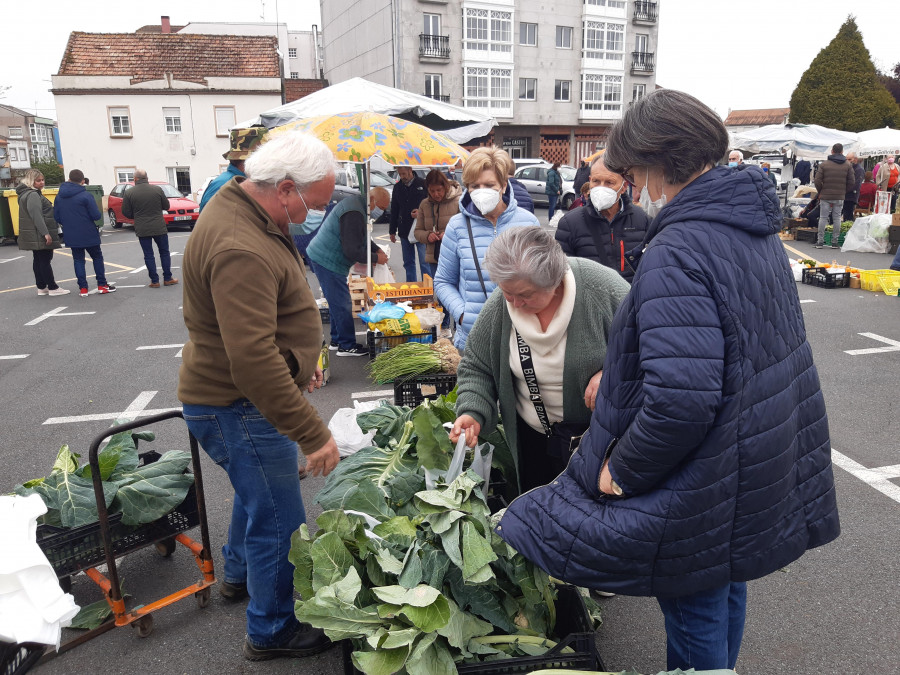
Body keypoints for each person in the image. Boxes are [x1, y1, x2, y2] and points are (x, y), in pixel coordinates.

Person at [495, 89, 840, 673]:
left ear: (660, 162)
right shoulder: (751, 230)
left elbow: (681, 402)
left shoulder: (679, 248)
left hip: (705, 468)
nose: (633, 185)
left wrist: (623, 470)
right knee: (724, 579)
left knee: (694, 597)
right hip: (751, 449)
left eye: (634, 172)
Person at [178, 130, 339, 661]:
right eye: (313, 204)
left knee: (258, 497)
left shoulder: (248, 211)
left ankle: (239, 577)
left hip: (237, 399)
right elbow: (250, 359)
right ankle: (272, 630)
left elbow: (265, 326)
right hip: (237, 404)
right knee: (278, 516)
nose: (314, 214)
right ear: (286, 189)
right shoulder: (238, 244)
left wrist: (300, 360)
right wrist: (313, 434)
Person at [450, 227, 629, 493]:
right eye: (506, 292)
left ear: (555, 281)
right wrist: (471, 411)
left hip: (602, 447)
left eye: (524, 295)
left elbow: (654, 355)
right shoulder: (504, 302)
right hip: (532, 441)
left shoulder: (605, 291)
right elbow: (477, 366)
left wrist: (613, 374)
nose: (513, 302)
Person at [433, 146, 538, 350]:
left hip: (521, 338)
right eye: (474, 186)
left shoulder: (529, 224)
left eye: (489, 185)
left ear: (504, 185)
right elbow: (443, 281)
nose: (482, 191)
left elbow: (541, 280)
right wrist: (463, 315)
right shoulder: (456, 227)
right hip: (473, 339)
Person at [307, 187, 389, 356]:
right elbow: (352, 250)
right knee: (342, 302)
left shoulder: (359, 207)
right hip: (326, 259)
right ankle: (346, 345)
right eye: (381, 207)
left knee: (336, 301)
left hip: (324, 257)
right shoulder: (354, 212)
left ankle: (337, 340)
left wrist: (376, 249)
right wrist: (375, 257)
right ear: (372, 200)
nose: (381, 211)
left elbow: (362, 237)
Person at [555, 155, 650, 283]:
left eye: (609, 182)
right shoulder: (570, 223)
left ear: (623, 187)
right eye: (596, 181)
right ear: (589, 181)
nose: (601, 188)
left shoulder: (643, 219)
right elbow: (562, 275)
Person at [414, 169, 462, 339]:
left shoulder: (458, 201)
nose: (436, 194)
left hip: (457, 256)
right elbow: (417, 232)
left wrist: (446, 234)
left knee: (459, 292)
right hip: (435, 256)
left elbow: (465, 230)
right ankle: (445, 325)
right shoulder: (424, 205)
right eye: (432, 191)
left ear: (445, 186)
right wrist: (428, 235)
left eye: (439, 190)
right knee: (441, 292)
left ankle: (460, 328)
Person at [53, 169, 115, 297]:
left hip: (71, 233)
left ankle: (83, 288)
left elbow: (57, 217)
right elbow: (96, 215)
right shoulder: (86, 196)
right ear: (82, 181)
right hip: (88, 231)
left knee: (78, 260)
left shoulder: (59, 197)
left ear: (69, 179)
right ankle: (102, 285)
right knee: (97, 257)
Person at [16, 169, 69, 296]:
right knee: (45, 259)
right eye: (38, 180)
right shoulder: (33, 195)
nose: (41, 182)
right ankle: (52, 287)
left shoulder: (25, 194)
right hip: (39, 232)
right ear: (31, 181)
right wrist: (45, 233)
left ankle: (41, 287)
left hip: (34, 232)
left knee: (38, 259)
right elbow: (36, 216)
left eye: (42, 180)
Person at [122, 170, 178, 287]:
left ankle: (154, 280)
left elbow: (126, 212)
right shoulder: (157, 189)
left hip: (142, 227)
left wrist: (137, 216)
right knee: (164, 252)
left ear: (135, 179)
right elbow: (166, 206)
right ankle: (168, 278)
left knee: (148, 254)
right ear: (147, 178)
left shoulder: (129, 193)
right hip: (159, 226)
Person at [200, 127, 266, 212]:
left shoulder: (241, 181)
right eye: (262, 160)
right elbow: (211, 221)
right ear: (247, 161)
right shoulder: (224, 184)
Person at [389, 166, 429, 281]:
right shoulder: (397, 187)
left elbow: (431, 205)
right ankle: (411, 287)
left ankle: (428, 289)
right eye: (400, 174)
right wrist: (392, 231)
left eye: (403, 174)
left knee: (424, 262)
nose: (402, 177)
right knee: (408, 263)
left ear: (410, 170)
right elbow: (394, 209)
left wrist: (421, 213)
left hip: (422, 229)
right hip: (404, 230)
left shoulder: (423, 184)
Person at [813, 144, 855, 249]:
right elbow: (852, 181)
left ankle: (820, 241)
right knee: (837, 218)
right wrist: (844, 191)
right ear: (842, 152)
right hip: (840, 195)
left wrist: (820, 191)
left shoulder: (824, 165)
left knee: (823, 217)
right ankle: (835, 242)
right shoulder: (847, 165)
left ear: (832, 151)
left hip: (825, 195)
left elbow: (817, 180)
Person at [842, 152, 864, 222]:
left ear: (855, 159)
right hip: (845, 195)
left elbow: (856, 185)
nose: (847, 161)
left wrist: (844, 190)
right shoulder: (848, 168)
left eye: (849, 159)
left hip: (851, 196)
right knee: (844, 214)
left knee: (848, 215)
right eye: (846, 159)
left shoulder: (859, 169)